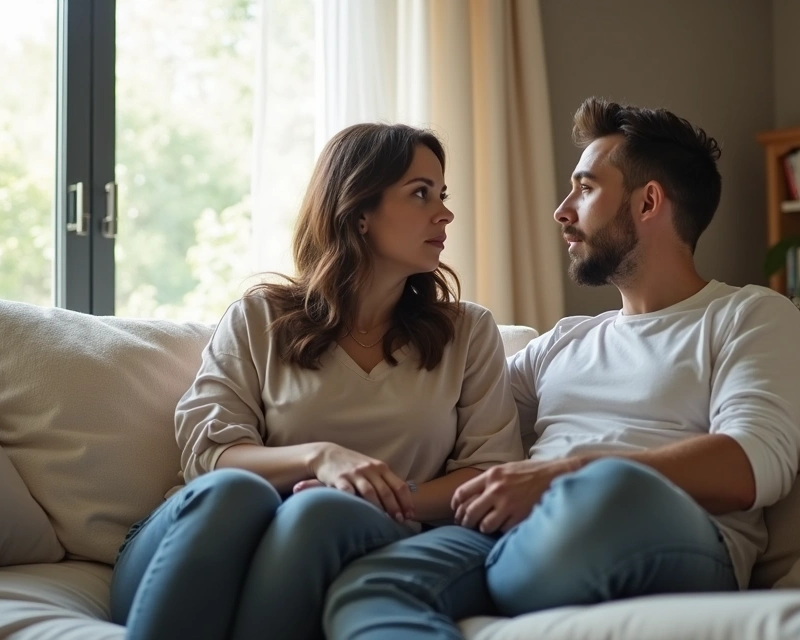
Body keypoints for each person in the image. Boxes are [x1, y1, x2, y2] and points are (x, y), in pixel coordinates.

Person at [323, 98, 800, 639]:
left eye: (585, 189)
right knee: (369, 586)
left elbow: (754, 464)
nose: (562, 211)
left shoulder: (750, 315)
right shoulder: (565, 340)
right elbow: (461, 417)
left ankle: (531, 560)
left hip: (664, 530)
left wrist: (562, 475)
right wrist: (370, 486)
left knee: (608, 487)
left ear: (648, 202)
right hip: (521, 535)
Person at [108, 123, 524, 640]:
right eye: (421, 194)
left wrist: (375, 494)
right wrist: (321, 457)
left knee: (320, 508)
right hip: (190, 549)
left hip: (345, 540)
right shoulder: (259, 317)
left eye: (443, 195)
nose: (445, 213)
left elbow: (489, 472)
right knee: (234, 491)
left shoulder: (467, 332)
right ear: (359, 211)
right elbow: (211, 454)